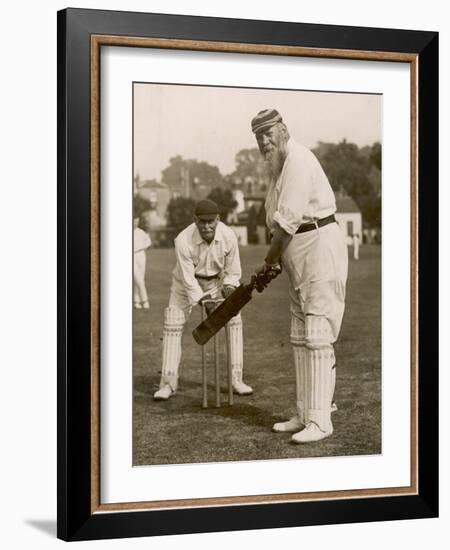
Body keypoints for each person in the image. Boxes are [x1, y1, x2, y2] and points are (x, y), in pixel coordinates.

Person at [251, 109, 348, 443]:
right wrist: (277, 261)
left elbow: (287, 222)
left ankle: (321, 421)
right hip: (297, 254)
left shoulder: (299, 160)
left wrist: (268, 262)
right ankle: (306, 412)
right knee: (298, 335)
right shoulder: (277, 168)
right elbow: (277, 222)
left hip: (319, 247)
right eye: (259, 136)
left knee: (318, 334)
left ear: (284, 129)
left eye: (269, 133)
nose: (264, 141)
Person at [153, 199, 253, 400]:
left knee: (234, 320)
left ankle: (236, 379)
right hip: (184, 285)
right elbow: (189, 280)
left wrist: (230, 286)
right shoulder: (183, 240)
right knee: (172, 322)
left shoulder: (229, 236)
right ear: (195, 220)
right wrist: (203, 302)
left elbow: (233, 271)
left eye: (211, 221)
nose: (207, 226)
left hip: (216, 283)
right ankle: (168, 383)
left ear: (218, 219)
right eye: (202, 222)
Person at [134, 216, 151, 309]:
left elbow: (148, 242)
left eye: (137, 221)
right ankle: (145, 300)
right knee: (138, 279)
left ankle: (136, 301)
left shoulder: (141, 232)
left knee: (140, 278)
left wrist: (142, 247)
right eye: (134, 221)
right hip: (131, 256)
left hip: (141, 255)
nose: (135, 223)